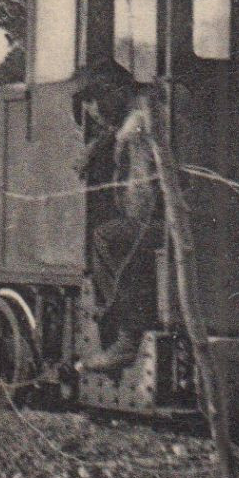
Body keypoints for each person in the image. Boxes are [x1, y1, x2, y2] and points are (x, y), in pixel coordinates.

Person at [72, 59, 165, 375]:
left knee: (109, 237)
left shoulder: (137, 123)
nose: (91, 110)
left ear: (115, 92)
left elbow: (142, 191)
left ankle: (126, 335)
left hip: (154, 222)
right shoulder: (136, 114)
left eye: (93, 100)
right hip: (161, 221)